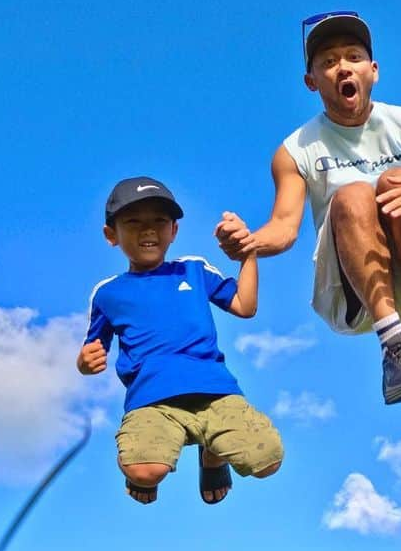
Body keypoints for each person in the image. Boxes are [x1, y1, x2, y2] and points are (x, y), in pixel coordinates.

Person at [216, 11, 401, 406]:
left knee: (398, 180)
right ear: (311, 81)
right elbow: (283, 227)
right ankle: (395, 348)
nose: (343, 68)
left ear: (374, 70)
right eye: (328, 63)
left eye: (353, 57)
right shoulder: (295, 150)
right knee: (352, 194)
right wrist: (249, 242)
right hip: (352, 292)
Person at [77, 177, 283, 505]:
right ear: (111, 235)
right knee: (144, 470)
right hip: (152, 400)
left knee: (267, 460)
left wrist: (249, 255)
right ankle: (149, 461)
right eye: (133, 222)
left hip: (214, 392)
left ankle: (212, 453)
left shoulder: (193, 271)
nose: (148, 231)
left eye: (159, 221)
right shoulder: (107, 293)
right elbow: (92, 350)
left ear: (173, 230)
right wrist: (86, 362)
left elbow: (244, 306)